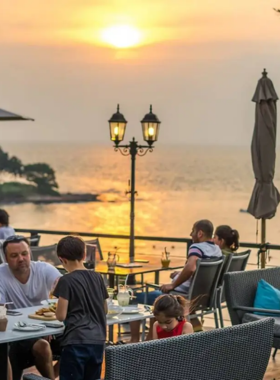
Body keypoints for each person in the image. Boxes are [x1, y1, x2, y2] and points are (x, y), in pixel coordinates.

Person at [130, 219, 222, 342]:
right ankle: (152, 339)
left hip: (181, 295)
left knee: (134, 297)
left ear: (200, 233)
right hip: (203, 295)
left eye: (192, 231)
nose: (191, 234)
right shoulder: (217, 250)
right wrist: (179, 274)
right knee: (155, 298)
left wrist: (172, 285)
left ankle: (135, 341)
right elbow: (198, 270)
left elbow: (190, 267)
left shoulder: (197, 247)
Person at [0, 235, 62, 380]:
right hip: (17, 333)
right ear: (6, 258)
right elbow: (1, 309)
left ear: (30, 254)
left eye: (24, 254)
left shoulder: (44, 269)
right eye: (14, 255)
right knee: (42, 346)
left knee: (82, 339)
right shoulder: (1, 274)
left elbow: (65, 288)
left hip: (48, 328)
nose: (21, 258)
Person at [53, 236, 108, 380]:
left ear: (62, 259)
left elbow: (61, 316)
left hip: (76, 341)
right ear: (84, 255)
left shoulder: (65, 280)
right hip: (98, 340)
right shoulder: (98, 277)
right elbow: (105, 310)